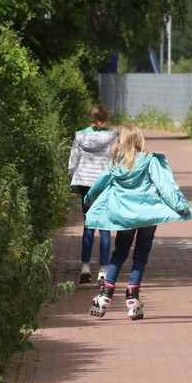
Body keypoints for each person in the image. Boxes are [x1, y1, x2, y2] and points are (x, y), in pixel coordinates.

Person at [84, 126, 192, 320]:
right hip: (148, 215)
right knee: (141, 255)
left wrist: (88, 199)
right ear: (139, 140)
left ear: (121, 141)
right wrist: (180, 206)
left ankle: (107, 291)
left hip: (124, 217)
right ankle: (132, 294)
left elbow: (100, 184)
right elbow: (165, 186)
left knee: (119, 253)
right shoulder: (150, 161)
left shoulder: (116, 163)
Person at [68, 104, 118, 284]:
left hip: (85, 184)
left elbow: (73, 162)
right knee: (105, 227)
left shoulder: (80, 137)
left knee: (89, 225)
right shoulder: (113, 137)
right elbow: (117, 161)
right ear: (106, 117)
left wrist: (72, 181)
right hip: (104, 184)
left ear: (90, 117)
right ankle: (103, 270)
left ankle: (85, 266)